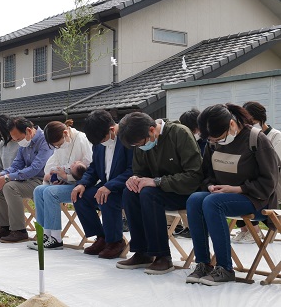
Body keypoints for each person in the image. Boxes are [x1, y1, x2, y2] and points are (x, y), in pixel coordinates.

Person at [186, 103, 279, 285]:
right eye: (213, 141)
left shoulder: (257, 140)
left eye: (219, 139)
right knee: (195, 200)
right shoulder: (213, 144)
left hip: (258, 200)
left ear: (231, 124)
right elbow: (206, 175)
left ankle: (225, 268)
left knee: (213, 203)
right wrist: (211, 185)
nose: (216, 143)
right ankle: (203, 263)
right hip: (222, 196)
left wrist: (237, 189)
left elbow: (269, 183)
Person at [116, 112, 202, 274]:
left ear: (152, 130)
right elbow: (140, 171)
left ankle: (162, 255)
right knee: (130, 192)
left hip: (185, 191)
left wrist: (157, 182)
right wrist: (135, 179)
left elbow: (194, 175)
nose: (140, 147)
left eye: (141, 143)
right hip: (159, 190)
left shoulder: (179, 133)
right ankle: (142, 252)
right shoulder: (141, 142)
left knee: (149, 193)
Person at [71, 110, 133, 259]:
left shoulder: (129, 139)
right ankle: (101, 237)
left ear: (112, 130)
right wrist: (82, 184)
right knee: (80, 196)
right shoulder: (99, 142)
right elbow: (93, 168)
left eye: (103, 139)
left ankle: (116, 241)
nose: (102, 143)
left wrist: (110, 186)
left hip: (125, 189)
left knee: (107, 197)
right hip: (107, 187)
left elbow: (133, 170)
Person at [0, 117, 53, 243]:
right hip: (28, 180)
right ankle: (5, 227)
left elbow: (34, 168)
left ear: (28, 131)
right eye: (15, 139)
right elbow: (16, 165)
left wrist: (6, 177)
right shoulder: (24, 142)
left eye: (18, 139)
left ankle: (20, 230)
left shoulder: (45, 140)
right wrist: (0, 175)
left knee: (10, 187)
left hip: (43, 181)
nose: (17, 142)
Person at [28, 119, 92, 250]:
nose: (58, 147)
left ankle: (56, 238)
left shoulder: (81, 140)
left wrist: (66, 175)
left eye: (58, 144)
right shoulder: (61, 144)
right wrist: (58, 177)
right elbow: (50, 167)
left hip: (82, 186)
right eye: (55, 146)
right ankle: (44, 235)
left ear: (65, 133)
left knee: (50, 192)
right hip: (68, 183)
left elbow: (89, 168)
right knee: (39, 190)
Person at [229, 101, 281, 243]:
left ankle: (254, 232)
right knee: (236, 186)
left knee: (246, 190)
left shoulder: (276, 136)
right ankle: (247, 230)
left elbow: (273, 164)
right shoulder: (245, 135)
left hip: (271, 182)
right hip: (252, 179)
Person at [171, 108, 206, 239]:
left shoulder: (207, 143)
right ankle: (187, 227)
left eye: (192, 130)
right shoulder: (181, 141)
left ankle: (194, 228)